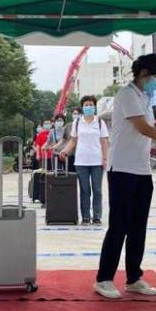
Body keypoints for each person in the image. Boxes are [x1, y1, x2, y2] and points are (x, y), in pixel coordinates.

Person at [94, 54, 156, 299]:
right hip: (122, 169)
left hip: (142, 170)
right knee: (119, 225)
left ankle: (134, 278)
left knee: (138, 227)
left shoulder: (145, 98)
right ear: (144, 73)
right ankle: (104, 279)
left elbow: (145, 132)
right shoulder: (127, 94)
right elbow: (143, 128)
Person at [60, 96, 109, 225]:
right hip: (81, 161)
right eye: (86, 105)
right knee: (85, 190)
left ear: (94, 107)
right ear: (82, 107)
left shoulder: (100, 122)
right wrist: (65, 151)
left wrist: (105, 158)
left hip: (97, 161)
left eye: (91, 105)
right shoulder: (77, 123)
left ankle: (97, 216)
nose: (88, 107)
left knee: (97, 190)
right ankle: (86, 216)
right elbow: (73, 140)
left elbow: (104, 141)